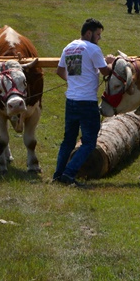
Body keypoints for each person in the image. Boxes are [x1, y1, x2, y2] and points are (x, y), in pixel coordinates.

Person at [53, 18, 115, 186]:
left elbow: (60, 71)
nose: (99, 38)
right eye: (98, 34)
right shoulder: (93, 49)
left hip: (71, 100)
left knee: (68, 140)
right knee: (89, 143)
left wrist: (74, 81)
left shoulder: (69, 47)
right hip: (87, 102)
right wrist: (110, 62)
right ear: (89, 33)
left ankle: (58, 174)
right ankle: (69, 173)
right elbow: (104, 72)